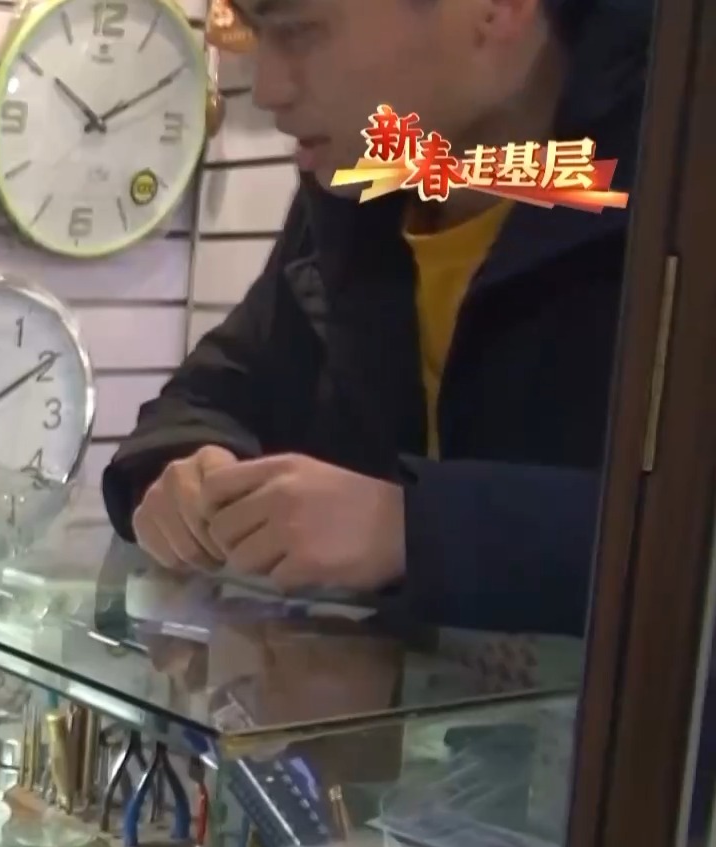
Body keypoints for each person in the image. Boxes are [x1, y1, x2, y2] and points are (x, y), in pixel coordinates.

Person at [103, 0, 652, 634]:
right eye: (259, 34)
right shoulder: (367, 189)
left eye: (300, 30)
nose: (267, 88)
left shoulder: (681, 192)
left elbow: (687, 543)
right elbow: (216, 391)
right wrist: (183, 467)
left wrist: (417, 529)